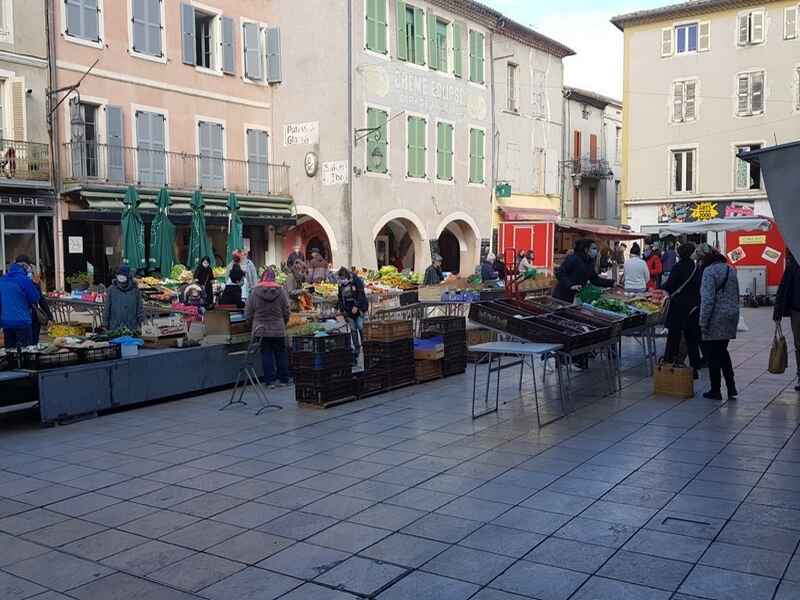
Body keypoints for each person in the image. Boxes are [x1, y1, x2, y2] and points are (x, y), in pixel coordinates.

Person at [699, 249, 740, 400]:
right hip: (731, 315)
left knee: (713, 355)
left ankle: (715, 390)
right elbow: (736, 294)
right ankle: (731, 386)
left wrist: (703, 321)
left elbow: (707, 300)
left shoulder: (709, 272)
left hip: (715, 318)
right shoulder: (731, 270)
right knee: (722, 351)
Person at [245, 268, 290, 387]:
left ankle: (270, 381)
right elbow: (286, 310)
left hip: (261, 329)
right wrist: (284, 322)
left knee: (266, 354)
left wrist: (250, 324)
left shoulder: (255, 292)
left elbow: (248, 311)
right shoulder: (281, 291)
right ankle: (283, 379)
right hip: (278, 328)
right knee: (281, 353)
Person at [662, 242, 703, 374]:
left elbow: (669, 285)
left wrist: (661, 288)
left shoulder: (678, 267)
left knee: (674, 336)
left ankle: (670, 361)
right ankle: (695, 366)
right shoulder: (696, 268)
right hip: (693, 307)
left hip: (678, 306)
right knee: (692, 338)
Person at [0, 256, 41, 348]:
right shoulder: (24, 280)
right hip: (22, 321)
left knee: (10, 351)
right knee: (25, 351)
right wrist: (36, 284)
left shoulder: (2, 279)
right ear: (25, 266)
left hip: (6, 322)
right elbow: (35, 298)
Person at [773, 250, 800, 391]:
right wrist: (777, 314)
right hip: (797, 311)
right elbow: (783, 289)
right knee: (799, 345)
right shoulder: (793, 265)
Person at [337, 267, 369, 365]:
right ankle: (357, 349)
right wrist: (342, 310)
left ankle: (366, 347)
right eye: (341, 279)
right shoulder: (340, 284)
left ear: (347, 276)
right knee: (353, 329)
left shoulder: (356, 280)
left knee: (360, 326)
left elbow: (361, 294)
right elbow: (340, 297)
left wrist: (357, 306)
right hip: (348, 310)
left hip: (358, 309)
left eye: (343, 278)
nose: (342, 280)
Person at [103, 265, 144, 332]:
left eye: (123, 282)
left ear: (129, 278)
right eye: (120, 281)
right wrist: (105, 324)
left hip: (131, 328)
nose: (121, 284)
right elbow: (106, 308)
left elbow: (140, 308)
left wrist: (142, 323)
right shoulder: (111, 290)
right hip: (115, 327)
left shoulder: (135, 291)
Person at [30, 270, 53, 344]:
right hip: (30, 317)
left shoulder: (7, 282)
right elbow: (41, 300)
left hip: (11, 320)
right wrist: (50, 317)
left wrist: (49, 316)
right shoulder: (31, 285)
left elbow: (41, 301)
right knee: (32, 342)